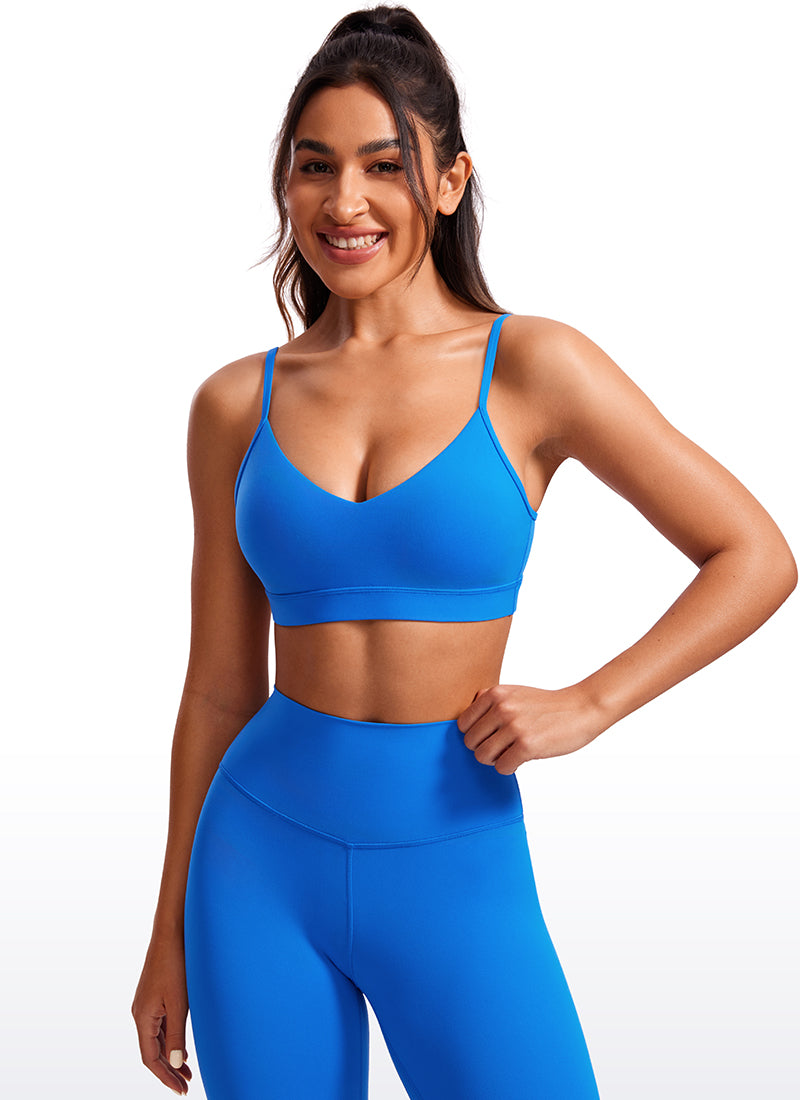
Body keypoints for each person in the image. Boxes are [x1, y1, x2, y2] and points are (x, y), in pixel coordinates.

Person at [130, 6, 796, 1098]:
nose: (345, 201)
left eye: (383, 164)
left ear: (448, 183)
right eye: (315, 166)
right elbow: (215, 691)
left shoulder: (534, 366)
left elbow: (754, 553)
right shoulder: (233, 405)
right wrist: (166, 933)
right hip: (254, 863)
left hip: (454, 856)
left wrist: (590, 703)